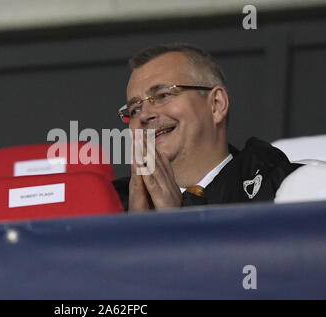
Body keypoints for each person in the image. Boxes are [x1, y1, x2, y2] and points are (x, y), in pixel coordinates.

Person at [113, 43, 301, 211]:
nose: (144, 115)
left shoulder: (286, 189)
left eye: (163, 95)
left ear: (216, 105)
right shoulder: (112, 204)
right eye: (135, 109)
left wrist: (173, 223)